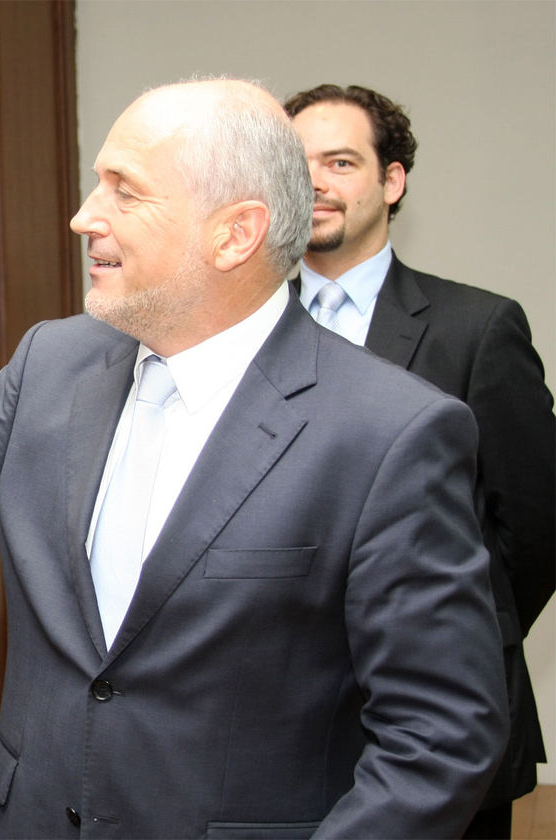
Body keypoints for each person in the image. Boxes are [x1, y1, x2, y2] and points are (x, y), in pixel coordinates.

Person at [0, 79, 508, 836]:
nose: (85, 216)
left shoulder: (389, 434)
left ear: (234, 233)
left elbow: (441, 738)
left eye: (125, 191)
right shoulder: (55, 362)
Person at [283, 82, 555, 839]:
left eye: (340, 161)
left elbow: (534, 528)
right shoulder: (240, 332)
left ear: (391, 180)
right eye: (295, 162)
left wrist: (451, 627)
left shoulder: (478, 328)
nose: (314, 183)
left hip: (439, 719)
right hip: (277, 729)